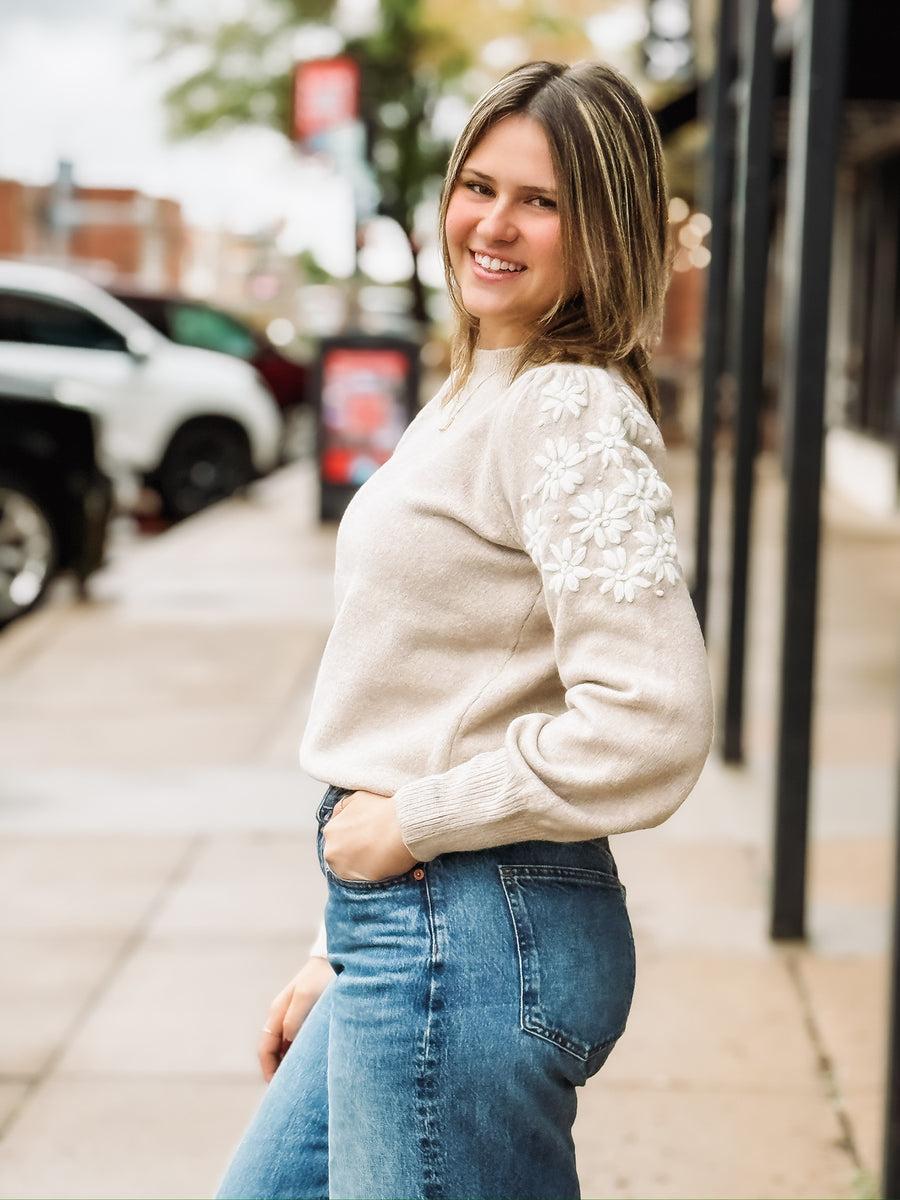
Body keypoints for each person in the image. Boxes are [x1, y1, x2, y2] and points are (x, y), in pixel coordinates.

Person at [217, 59, 713, 1200]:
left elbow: (655, 716)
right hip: (408, 928)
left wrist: (414, 827)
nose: (494, 223)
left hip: (473, 933)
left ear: (605, 230)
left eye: (541, 201)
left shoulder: (565, 404)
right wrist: (332, 943)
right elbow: (432, 694)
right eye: (478, 185)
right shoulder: (485, 383)